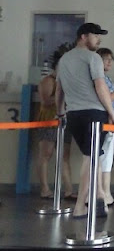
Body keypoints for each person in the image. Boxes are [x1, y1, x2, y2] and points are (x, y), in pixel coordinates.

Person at [55, 23, 114, 218]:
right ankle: (80, 206)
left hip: (73, 114)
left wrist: (60, 113)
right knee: (90, 158)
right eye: (95, 35)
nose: (99, 40)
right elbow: (101, 87)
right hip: (94, 114)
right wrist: (112, 113)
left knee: (93, 156)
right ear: (83, 36)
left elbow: (59, 90)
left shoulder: (64, 60)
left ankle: (99, 196)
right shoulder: (93, 58)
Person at [35, 43, 75, 200]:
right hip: (49, 120)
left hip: (64, 120)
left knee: (64, 156)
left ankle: (69, 190)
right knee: (46, 154)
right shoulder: (49, 80)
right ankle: (44, 189)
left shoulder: (66, 80)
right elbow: (45, 101)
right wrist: (63, 96)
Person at [96, 48, 114, 206]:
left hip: (111, 122)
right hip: (106, 121)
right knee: (103, 157)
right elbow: (108, 97)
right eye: (106, 59)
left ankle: (105, 192)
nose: (109, 62)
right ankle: (102, 193)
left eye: (110, 59)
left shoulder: (105, 78)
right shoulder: (99, 79)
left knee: (106, 158)